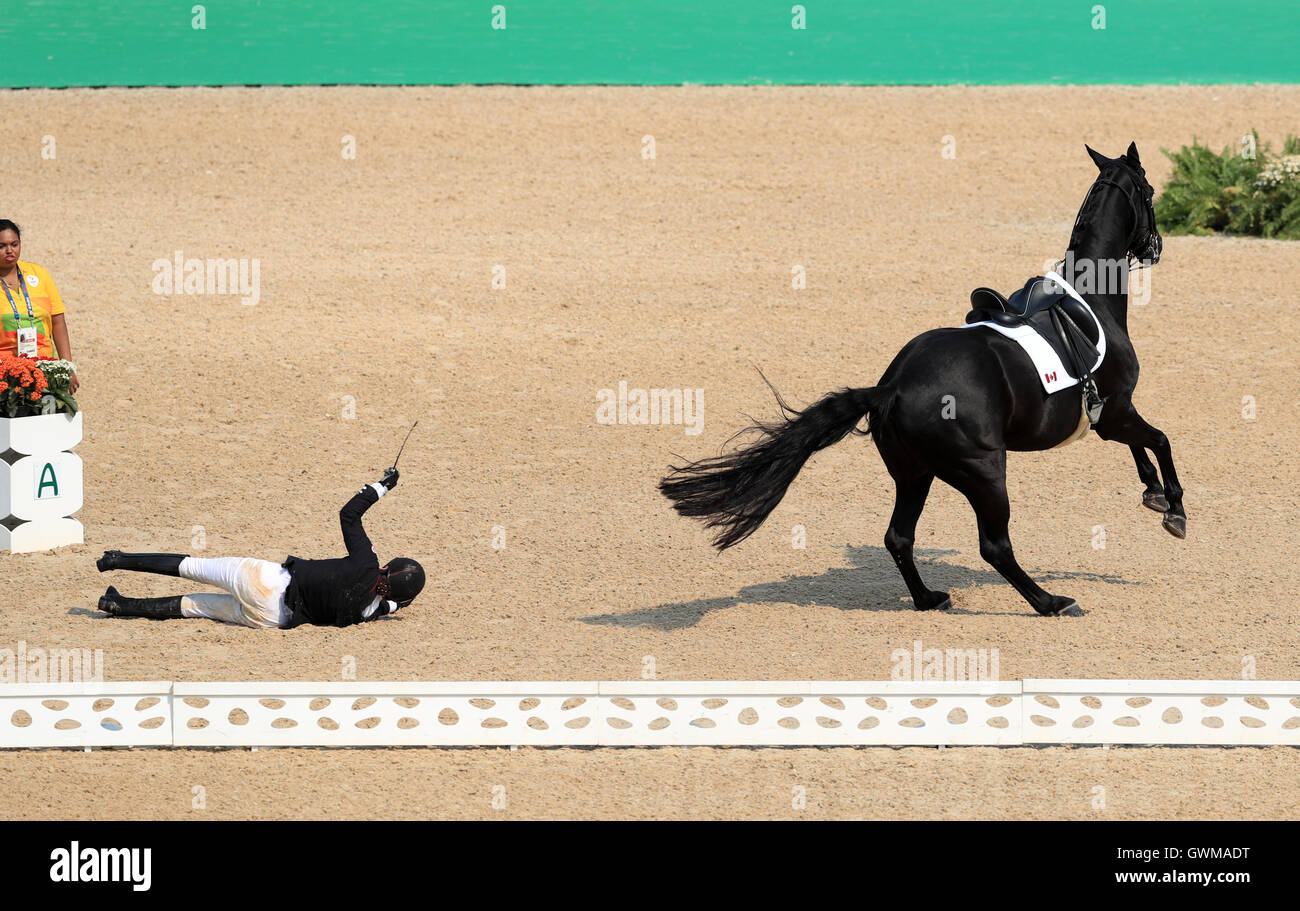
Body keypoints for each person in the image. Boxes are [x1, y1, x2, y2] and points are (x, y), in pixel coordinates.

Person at [95, 469, 424, 628]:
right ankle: (117, 605)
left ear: (388, 568)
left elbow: (348, 514)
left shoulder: (366, 563)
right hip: (273, 617)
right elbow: (385, 609)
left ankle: (117, 559)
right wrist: (396, 605)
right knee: (194, 606)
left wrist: (380, 487)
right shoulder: (367, 611)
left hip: (266, 580)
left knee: (193, 568)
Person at [0, 219, 79, 392]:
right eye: (2, 246)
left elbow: (58, 321)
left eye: (14, 244)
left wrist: (67, 367)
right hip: (5, 375)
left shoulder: (39, 274)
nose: (9, 250)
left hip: (45, 369)